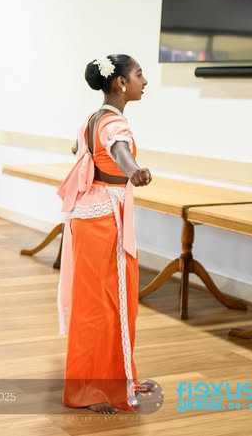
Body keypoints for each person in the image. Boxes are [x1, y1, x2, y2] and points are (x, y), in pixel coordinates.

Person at [56, 54, 152, 414]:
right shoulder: (115, 125)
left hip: (88, 212)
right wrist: (135, 171)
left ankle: (100, 380)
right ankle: (94, 388)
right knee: (107, 303)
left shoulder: (93, 118)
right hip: (104, 218)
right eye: (140, 75)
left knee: (94, 301)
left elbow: (81, 149)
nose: (145, 81)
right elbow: (119, 150)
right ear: (121, 83)